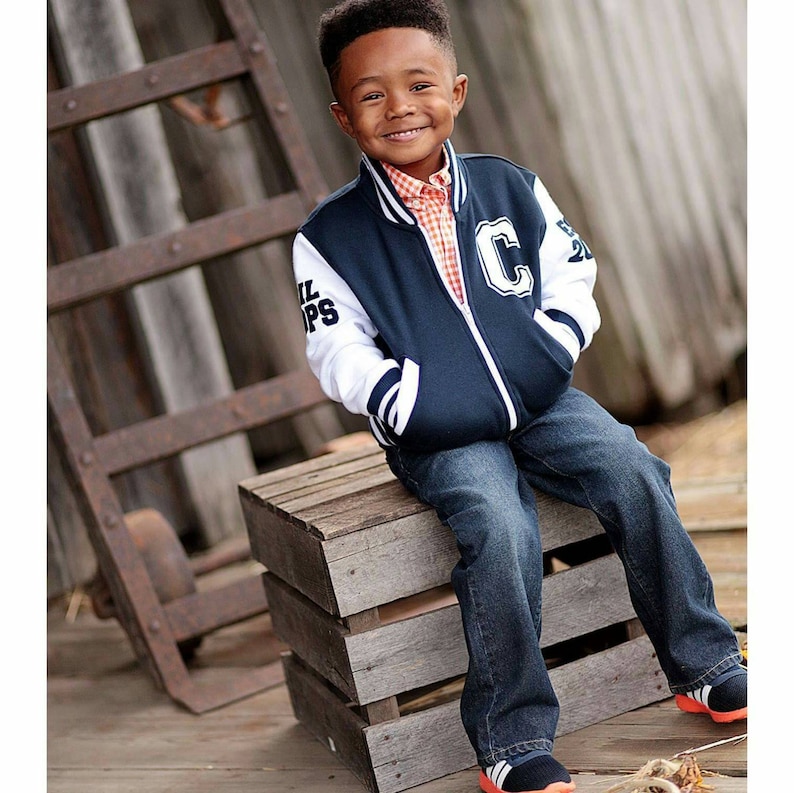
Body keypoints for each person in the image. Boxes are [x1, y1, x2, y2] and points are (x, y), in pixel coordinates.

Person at [292, 2, 747, 791]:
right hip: (439, 432)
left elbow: (573, 271)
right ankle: (511, 738)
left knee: (631, 467)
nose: (399, 107)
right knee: (500, 525)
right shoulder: (331, 236)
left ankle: (705, 662)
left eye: (419, 83)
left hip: (540, 399)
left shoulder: (510, 187)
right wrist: (406, 401)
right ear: (341, 115)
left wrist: (548, 348)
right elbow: (336, 348)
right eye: (371, 95)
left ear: (457, 92)